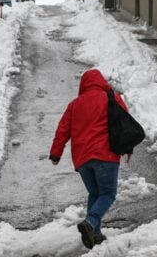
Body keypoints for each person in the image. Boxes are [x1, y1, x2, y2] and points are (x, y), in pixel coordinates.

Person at [49, 69, 131, 249]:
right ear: (101, 81)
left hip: (83, 160)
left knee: (95, 194)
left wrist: (56, 154)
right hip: (105, 155)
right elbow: (125, 123)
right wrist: (128, 147)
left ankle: (95, 234)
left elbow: (62, 130)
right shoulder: (111, 97)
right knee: (108, 194)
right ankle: (90, 222)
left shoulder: (74, 104)